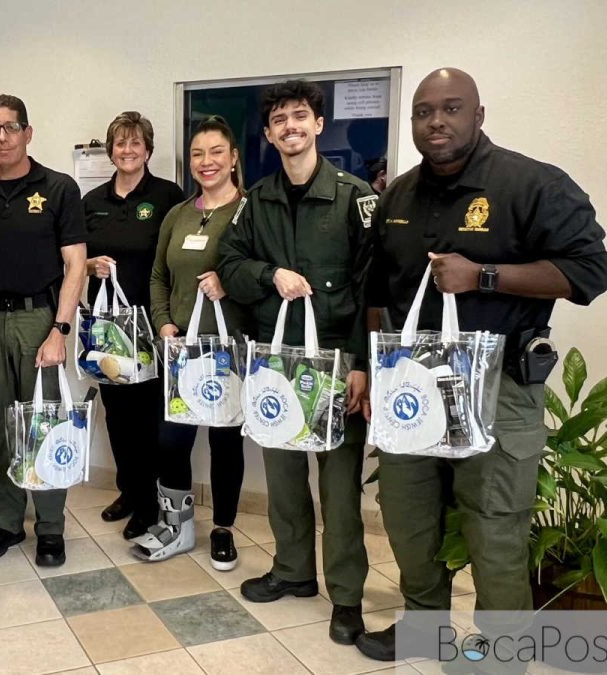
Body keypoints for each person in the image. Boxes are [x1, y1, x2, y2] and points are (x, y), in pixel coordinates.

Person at [355, 68, 607, 662]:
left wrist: (484, 276)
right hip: (413, 385)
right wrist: (379, 369)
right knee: (409, 514)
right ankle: (424, 628)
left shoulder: (532, 184)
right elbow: (376, 290)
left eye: (451, 109)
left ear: (479, 114)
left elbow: (592, 272)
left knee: (494, 523)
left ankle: (506, 647)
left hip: (500, 386)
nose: (436, 122)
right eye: (423, 112)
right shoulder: (397, 195)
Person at [217, 80, 373, 646]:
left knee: (338, 491)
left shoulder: (355, 197)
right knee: (284, 479)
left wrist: (360, 363)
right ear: (268, 134)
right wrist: (269, 275)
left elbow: (370, 288)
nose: (290, 127)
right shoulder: (255, 201)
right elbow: (230, 265)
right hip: (279, 367)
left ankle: (348, 597)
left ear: (318, 125)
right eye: (279, 119)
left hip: (338, 364)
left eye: (299, 116)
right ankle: (292, 571)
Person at [0, 94, 87, 567]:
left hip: (39, 321)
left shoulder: (58, 188)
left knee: (43, 425)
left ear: (28, 132)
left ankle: (50, 528)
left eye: (11, 127)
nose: (2, 137)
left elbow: (76, 265)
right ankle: (8, 521)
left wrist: (60, 330)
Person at [134, 115, 252, 569]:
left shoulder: (248, 212)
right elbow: (159, 275)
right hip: (179, 353)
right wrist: (163, 324)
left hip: (226, 353)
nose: (207, 162)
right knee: (171, 442)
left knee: (225, 445)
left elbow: (258, 276)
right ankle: (177, 524)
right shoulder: (179, 214)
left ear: (233, 157)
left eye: (216, 152)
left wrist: (230, 283)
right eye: (198, 154)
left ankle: (223, 530)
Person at [82, 111, 185, 540]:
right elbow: (73, 259)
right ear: (110, 151)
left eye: (135, 142)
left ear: (148, 149)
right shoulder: (92, 203)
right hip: (108, 328)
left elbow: (173, 260)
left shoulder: (167, 197)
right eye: (120, 143)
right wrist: (89, 264)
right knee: (117, 416)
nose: (127, 150)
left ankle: (148, 504)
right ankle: (128, 491)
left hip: (151, 325)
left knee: (147, 418)